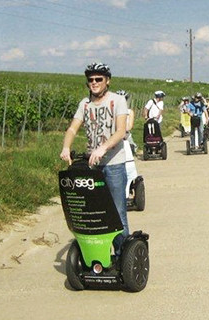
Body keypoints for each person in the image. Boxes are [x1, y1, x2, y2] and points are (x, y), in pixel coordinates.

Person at [60, 62, 129, 255]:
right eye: (91, 79)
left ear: (107, 81)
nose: (94, 82)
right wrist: (66, 147)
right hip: (93, 167)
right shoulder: (85, 104)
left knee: (117, 214)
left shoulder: (117, 100)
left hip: (114, 165)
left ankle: (123, 257)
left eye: (99, 79)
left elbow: (121, 131)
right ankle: (97, 255)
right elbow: (73, 128)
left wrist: (103, 148)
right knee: (94, 214)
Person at [116, 90, 138, 199]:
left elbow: (129, 126)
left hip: (126, 138)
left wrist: (122, 131)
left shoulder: (129, 112)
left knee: (128, 164)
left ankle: (128, 188)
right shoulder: (113, 111)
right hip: (115, 139)